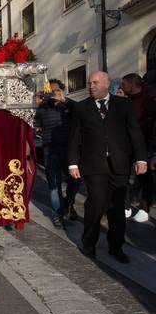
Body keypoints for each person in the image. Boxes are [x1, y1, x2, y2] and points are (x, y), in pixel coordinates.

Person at [68, 70, 147, 262]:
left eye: (95, 82)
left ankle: (116, 247)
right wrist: (72, 163)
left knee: (117, 208)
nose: (91, 86)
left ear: (106, 83)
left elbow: (134, 133)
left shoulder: (124, 105)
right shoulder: (81, 108)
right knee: (96, 204)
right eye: (89, 83)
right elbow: (74, 138)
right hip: (94, 166)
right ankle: (89, 244)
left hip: (119, 165)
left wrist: (141, 159)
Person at [35, 79, 79, 227]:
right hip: (50, 150)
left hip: (69, 149)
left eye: (57, 91)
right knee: (54, 184)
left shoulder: (70, 106)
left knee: (75, 180)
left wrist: (64, 101)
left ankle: (69, 202)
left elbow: (81, 112)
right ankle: (58, 214)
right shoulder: (42, 108)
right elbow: (36, 123)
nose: (54, 93)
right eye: (51, 91)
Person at [121, 72, 156, 222]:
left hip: (147, 144)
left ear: (131, 84)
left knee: (145, 177)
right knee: (123, 174)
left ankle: (145, 206)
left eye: (124, 84)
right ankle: (126, 205)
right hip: (129, 144)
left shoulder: (149, 98)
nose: (121, 87)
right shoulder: (128, 100)